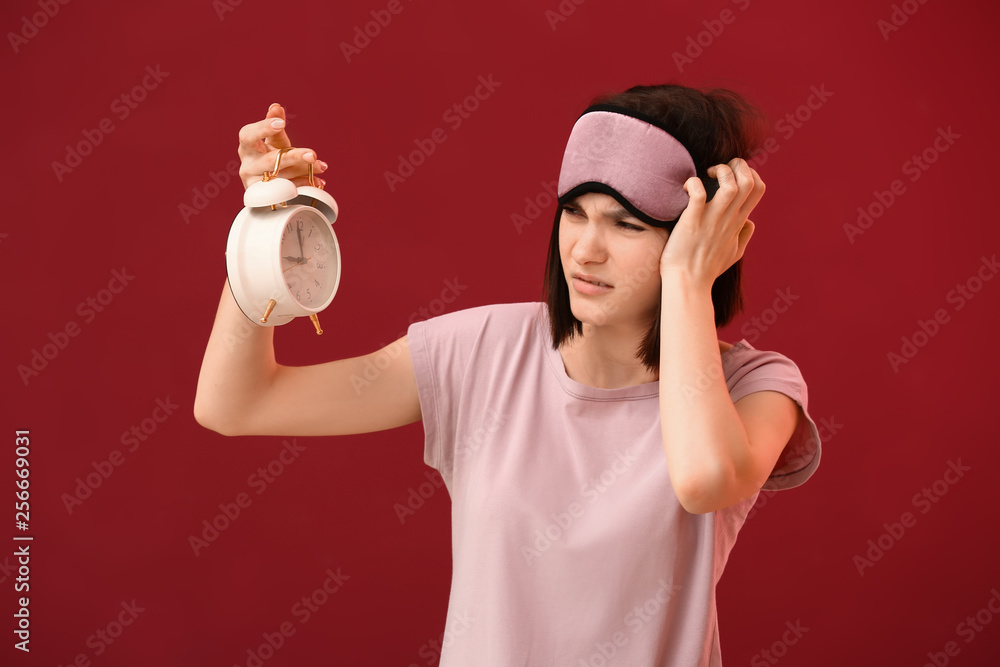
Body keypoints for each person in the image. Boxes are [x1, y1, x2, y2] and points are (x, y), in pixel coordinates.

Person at [195, 83, 822, 666]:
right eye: (575, 213)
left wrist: (690, 279)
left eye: (628, 224)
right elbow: (237, 404)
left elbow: (705, 480)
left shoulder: (757, 387)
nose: (585, 248)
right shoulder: (482, 351)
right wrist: (266, 223)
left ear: (708, 238)